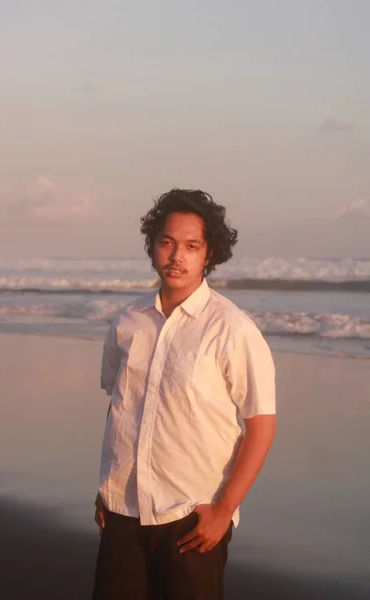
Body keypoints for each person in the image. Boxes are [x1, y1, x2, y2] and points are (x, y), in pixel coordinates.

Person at [92, 189, 276, 600]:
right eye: (167, 242)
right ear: (153, 246)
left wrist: (223, 512)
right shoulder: (129, 321)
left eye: (192, 246)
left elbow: (261, 425)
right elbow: (121, 405)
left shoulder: (233, 329)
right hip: (121, 513)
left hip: (192, 518)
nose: (177, 256)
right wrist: (108, 484)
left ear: (209, 255)